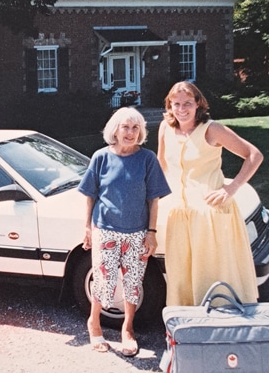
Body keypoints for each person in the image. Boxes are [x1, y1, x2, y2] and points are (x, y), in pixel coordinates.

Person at [157, 81, 263, 307]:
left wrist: (230, 188)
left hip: (210, 215)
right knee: (182, 273)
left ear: (198, 104)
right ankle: (189, 327)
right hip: (178, 213)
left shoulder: (212, 129)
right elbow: (161, 165)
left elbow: (254, 155)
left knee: (213, 273)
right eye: (176, 104)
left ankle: (222, 323)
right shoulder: (165, 128)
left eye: (187, 103)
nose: (181, 109)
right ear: (169, 105)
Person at [78, 107, 171, 356]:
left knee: (133, 283)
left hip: (137, 232)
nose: (130, 133)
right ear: (115, 130)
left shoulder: (147, 159)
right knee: (103, 280)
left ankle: (127, 329)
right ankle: (94, 323)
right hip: (105, 229)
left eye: (135, 128)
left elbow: (154, 199)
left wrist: (151, 232)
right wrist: (87, 227)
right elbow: (90, 196)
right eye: (125, 127)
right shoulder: (100, 157)